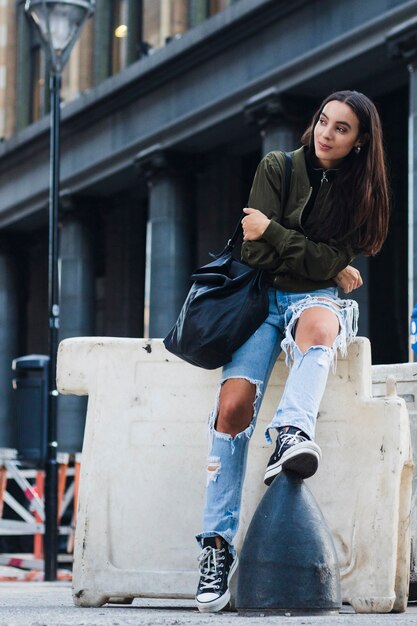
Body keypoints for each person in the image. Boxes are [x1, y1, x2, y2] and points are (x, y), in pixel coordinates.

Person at [194, 90, 390, 613]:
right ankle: (215, 547)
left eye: (341, 128)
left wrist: (300, 250)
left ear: (360, 141)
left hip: (312, 299)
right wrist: (325, 263)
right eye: (323, 121)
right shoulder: (277, 166)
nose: (326, 133)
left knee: (322, 327)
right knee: (232, 407)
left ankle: (291, 432)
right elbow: (254, 249)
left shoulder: (362, 196)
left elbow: (277, 239)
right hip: (258, 298)